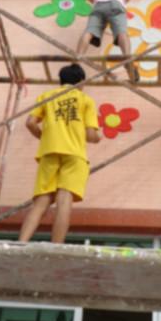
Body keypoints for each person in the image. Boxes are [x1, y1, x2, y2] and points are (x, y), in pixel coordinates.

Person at [18, 64, 100, 243]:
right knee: (64, 199)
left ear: (61, 80)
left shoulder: (46, 97)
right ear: (81, 82)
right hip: (74, 154)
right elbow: (91, 135)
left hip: (49, 152)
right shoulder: (85, 100)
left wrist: (44, 138)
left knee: (41, 201)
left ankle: (21, 243)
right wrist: (98, 137)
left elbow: (30, 123)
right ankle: (56, 246)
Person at [76, 0, 139, 82]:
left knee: (89, 31)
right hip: (116, 2)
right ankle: (128, 59)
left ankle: (78, 60)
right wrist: (122, 1)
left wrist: (96, 0)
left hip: (98, 4)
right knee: (122, 33)